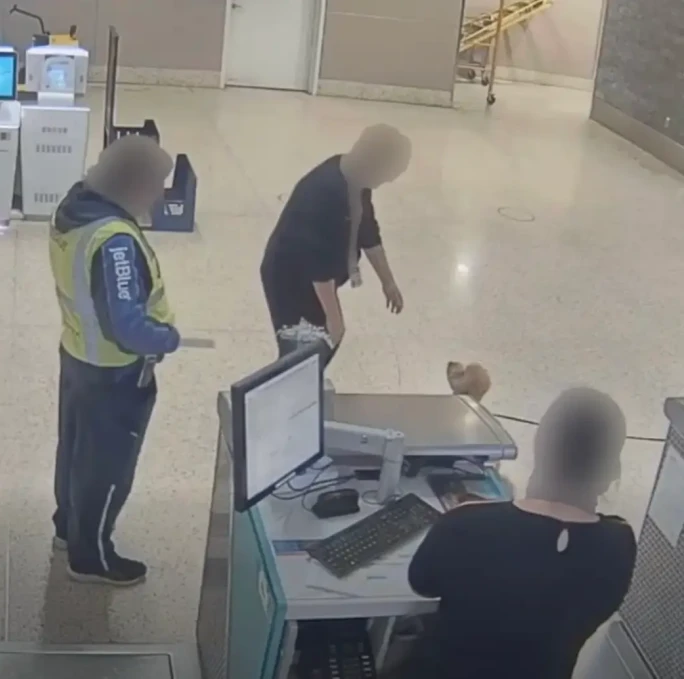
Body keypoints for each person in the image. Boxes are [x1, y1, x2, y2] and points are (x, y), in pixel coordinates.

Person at [390, 387, 637, 679]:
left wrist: (480, 515)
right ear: (610, 469)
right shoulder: (619, 546)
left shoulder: (464, 526)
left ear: (541, 446)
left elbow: (422, 583)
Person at [49, 134, 180, 586]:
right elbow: (126, 325)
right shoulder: (116, 241)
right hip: (115, 373)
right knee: (106, 467)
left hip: (77, 354)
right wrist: (166, 338)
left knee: (75, 451)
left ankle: (68, 528)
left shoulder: (75, 207)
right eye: (158, 183)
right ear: (133, 184)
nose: (163, 193)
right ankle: (92, 558)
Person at [260, 124, 411, 362]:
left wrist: (388, 282)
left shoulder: (355, 177)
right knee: (303, 353)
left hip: (313, 275)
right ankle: (285, 393)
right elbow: (318, 263)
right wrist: (333, 316)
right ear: (374, 163)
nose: (387, 181)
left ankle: (298, 388)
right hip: (290, 279)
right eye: (388, 174)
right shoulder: (327, 192)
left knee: (317, 349)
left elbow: (367, 230)